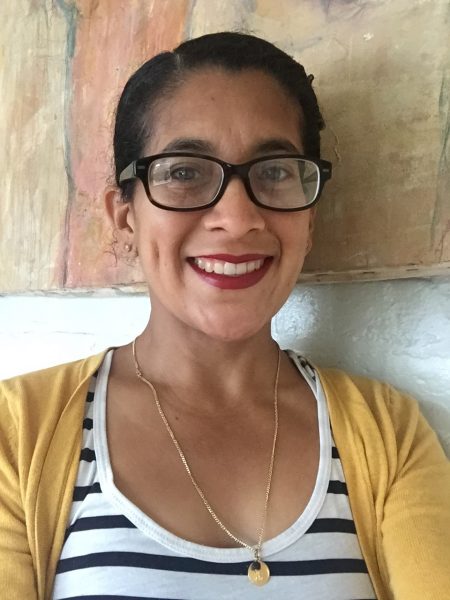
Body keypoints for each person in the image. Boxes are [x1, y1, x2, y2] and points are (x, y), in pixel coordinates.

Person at [0, 32, 449, 600]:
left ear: (310, 219)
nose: (237, 219)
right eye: (184, 172)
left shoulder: (388, 432)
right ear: (125, 215)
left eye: (275, 171)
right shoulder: (16, 433)